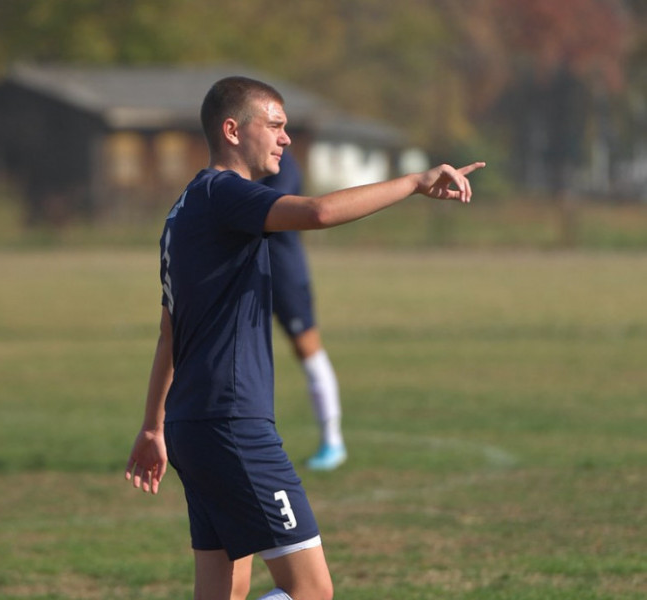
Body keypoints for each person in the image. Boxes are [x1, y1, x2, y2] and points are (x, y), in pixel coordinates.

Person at [125, 75, 483, 600]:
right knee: (312, 593)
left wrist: (154, 426)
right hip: (233, 423)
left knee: (223, 591)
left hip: (191, 425)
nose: (285, 138)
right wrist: (412, 183)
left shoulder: (182, 210)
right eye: (274, 125)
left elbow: (168, 334)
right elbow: (317, 212)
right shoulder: (226, 194)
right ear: (231, 130)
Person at [261, 153, 346, 471]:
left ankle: (332, 440)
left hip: (284, 273)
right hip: (243, 273)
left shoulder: (282, 165)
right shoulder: (237, 166)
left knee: (306, 348)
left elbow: (278, 211)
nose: (281, 137)